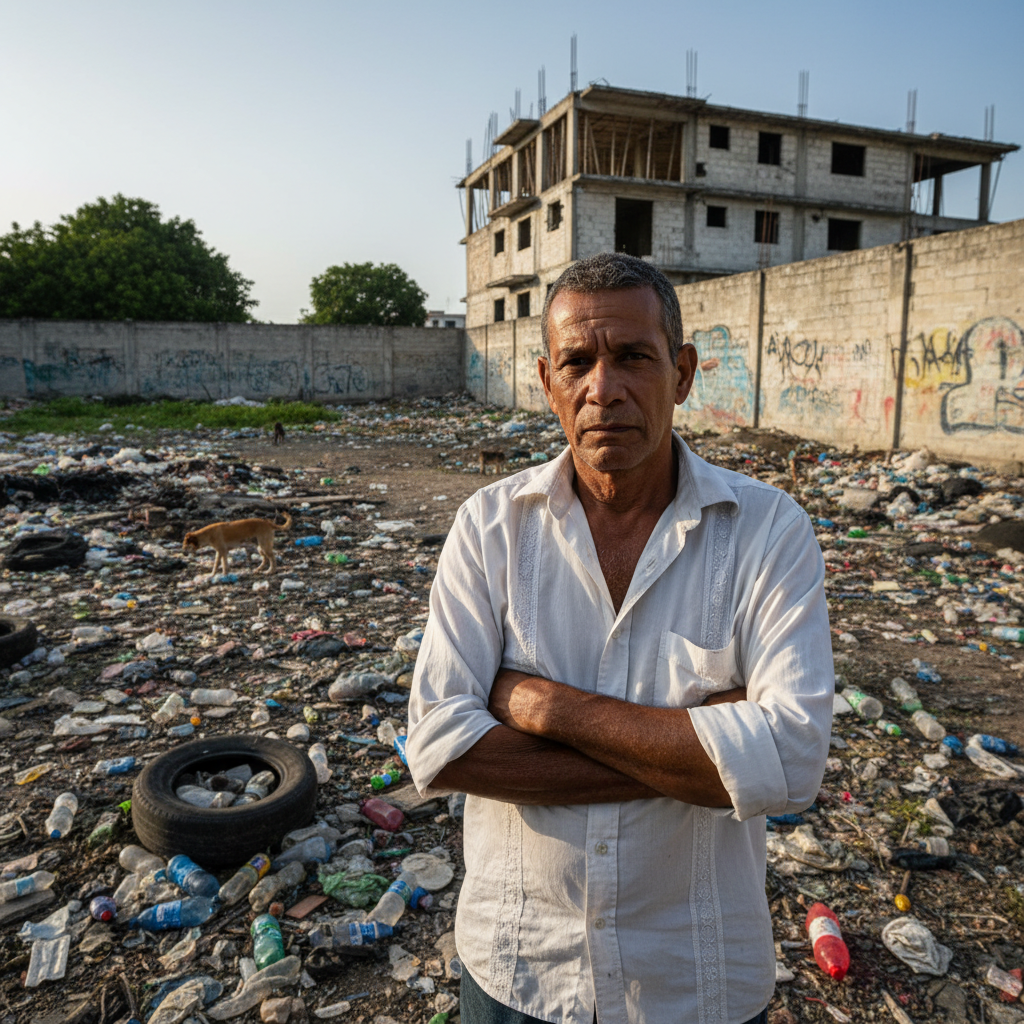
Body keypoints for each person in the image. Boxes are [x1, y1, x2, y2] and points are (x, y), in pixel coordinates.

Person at [407, 252, 833, 1024]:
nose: (604, 389)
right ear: (547, 383)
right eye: (578, 362)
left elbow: (793, 762)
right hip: (518, 966)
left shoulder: (769, 530)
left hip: (694, 978)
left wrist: (544, 707)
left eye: (634, 357)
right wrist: (712, 749)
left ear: (683, 372)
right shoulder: (491, 527)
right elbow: (442, 745)